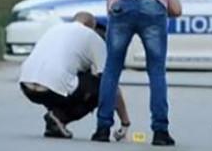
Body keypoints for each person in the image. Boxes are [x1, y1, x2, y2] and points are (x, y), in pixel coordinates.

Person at [94, 0, 182, 146]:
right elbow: (176, 9)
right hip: (153, 7)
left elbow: (110, 8)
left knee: (111, 69)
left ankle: (102, 129)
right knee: (157, 72)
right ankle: (160, 132)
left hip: (121, 6)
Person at [19, 12, 130, 140]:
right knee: (99, 86)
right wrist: (125, 122)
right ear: (92, 27)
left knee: (69, 81)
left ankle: (55, 122)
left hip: (26, 83)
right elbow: (110, 83)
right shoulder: (91, 36)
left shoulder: (54, 29)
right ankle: (59, 118)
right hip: (53, 85)